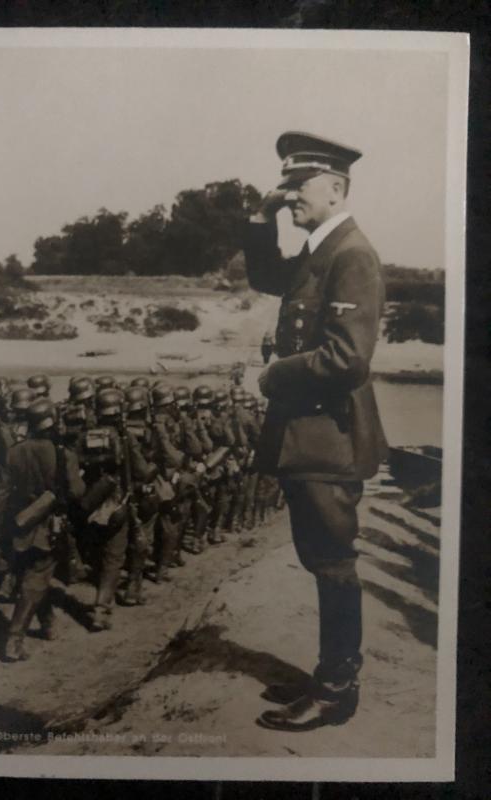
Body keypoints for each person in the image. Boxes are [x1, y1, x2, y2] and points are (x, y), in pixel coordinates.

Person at [244, 131, 388, 731]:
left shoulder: (351, 254)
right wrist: (260, 218)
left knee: (331, 561)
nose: (288, 196)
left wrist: (270, 375)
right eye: (285, 185)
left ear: (336, 187)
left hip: (329, 436)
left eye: (297, 186)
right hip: (310, 436)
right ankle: (328, 673)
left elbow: (347, 358)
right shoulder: (317, 250)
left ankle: (336, 690)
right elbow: (265, 277)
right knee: (317, 555)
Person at [3, 398, 85, 661]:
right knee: (36, 578)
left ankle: (47, 624)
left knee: (36, 574)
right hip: (48, 527)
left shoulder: (14, 451)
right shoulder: (62, 453)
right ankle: (14, 640)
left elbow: (2, 491)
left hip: (20, 522)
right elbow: (76, 491)